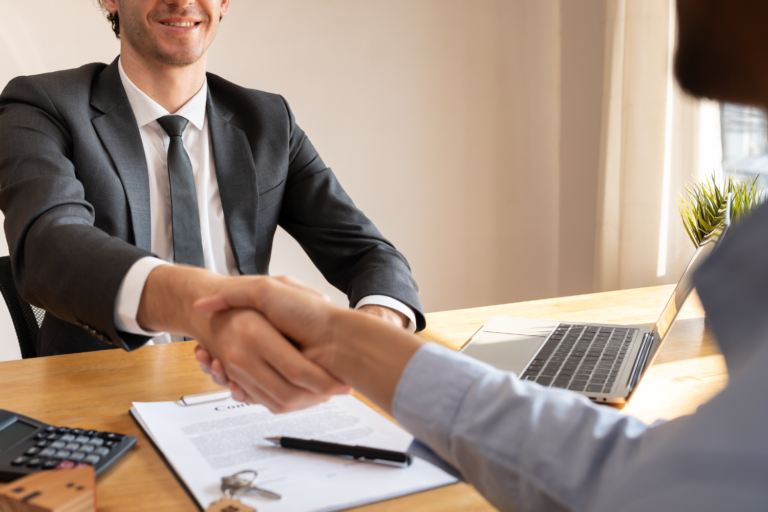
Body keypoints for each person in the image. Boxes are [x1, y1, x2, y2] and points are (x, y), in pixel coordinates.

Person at [193, 0, 768, 509]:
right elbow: (626, 476)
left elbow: (370, 252)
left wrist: (365, 325)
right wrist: (342, 340)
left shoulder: (265, 120)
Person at [0, 0, 424, 408]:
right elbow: (47, 244)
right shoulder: (41, 105)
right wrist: (207, 307)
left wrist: (370, 332)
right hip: (101, 401)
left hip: (250, 399)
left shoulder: (268, 120)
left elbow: (369, 253)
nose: (182, 0)